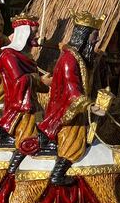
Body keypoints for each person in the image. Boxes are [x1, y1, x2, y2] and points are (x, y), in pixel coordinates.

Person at [32, 11, 103, 185]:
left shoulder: (79, 58)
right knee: (72, 144)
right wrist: (90, 105)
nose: (96, 41)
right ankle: (58, 174)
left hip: (75, 111)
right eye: (94, 36)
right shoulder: (68, 60)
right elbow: (72, 90)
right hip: (64, 113)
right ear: (84, 37)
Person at [0, 14, 51, 173]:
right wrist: (40, 79)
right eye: (33, 33)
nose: (36, 36)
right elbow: (19, 82)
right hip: (20, 109)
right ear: (24, 34)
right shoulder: (8, 56)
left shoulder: (25, 56)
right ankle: (13, 170)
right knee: (29, 139)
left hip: (33, 104)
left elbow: (35, 83)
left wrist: (45, 82)